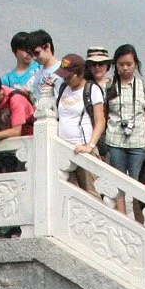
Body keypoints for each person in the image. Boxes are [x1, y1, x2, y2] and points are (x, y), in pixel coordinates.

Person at [102, 44, 145, 198]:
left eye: (129, 64)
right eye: (121, 64)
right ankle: (121, 215)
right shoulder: (108, 86)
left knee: (138, 184)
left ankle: (138, 220)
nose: (125, 68)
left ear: (136, 64)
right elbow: (104, 115)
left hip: (138, 141)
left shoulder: (144, 87)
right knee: (118, 183)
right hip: (115, 140)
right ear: (115, 65)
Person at [53, 55, 107, 189]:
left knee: (90, 191)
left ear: (80, 74)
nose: (65, 79)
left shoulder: (92, 90)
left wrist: (90, 145)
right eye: (63, 76)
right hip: (63, 148)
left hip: (83, 148)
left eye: (68, 76)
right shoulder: (63, 88)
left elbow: (100, 121)